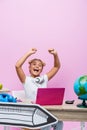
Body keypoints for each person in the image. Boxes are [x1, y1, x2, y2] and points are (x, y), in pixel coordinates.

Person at [15, 48, 63, 130]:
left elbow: (56, 66)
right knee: (46, 123)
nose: (37, 66)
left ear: (41, 69)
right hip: (31, 114)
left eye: (40, 65)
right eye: (34, 64)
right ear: (29, 68)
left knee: (59, 122)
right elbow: (17, 66)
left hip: (44, 112)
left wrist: (55, 54)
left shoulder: (44, 79)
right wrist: (29, 53)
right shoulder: (26, 80)